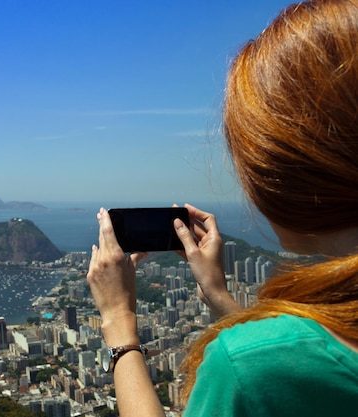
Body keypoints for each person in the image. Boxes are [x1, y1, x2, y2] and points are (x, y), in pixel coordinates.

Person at [86, 1, 358, 416]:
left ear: (287, 166)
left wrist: (119, 320)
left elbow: (269, 366)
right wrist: (216, 294)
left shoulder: (248, 366)